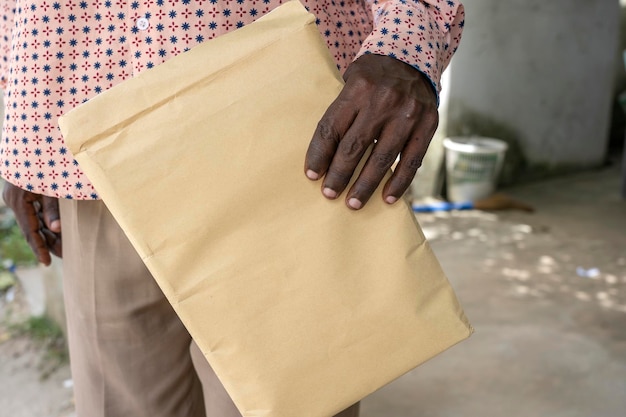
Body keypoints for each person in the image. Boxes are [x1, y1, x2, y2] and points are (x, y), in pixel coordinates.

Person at [0, 0, 464, 416]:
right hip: (91, 153)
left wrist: (407, 42)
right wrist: (17, 116)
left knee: (298, 401)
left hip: (275, 137)